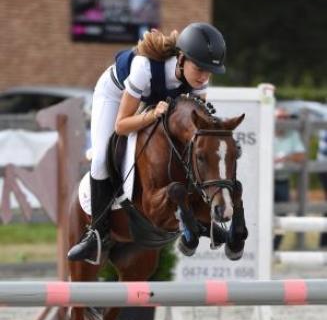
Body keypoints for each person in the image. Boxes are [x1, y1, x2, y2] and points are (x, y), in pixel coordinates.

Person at [67, 22, 227, 261]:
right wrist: (152, 115)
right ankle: (97, 234)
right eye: (199, 68)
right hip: (116, 95)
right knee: (100, 158)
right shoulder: (145, 68)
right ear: (182, 59)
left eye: (209, 71)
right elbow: (122, 125)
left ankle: (200, 216)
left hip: (154, 100)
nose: (204, 76)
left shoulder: (199, 80)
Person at [273, 107, 305, 250]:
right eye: (280, 118)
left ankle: (275, 247)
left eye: (286, 118)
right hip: (264, 182)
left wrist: (285, 158)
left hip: (282, 180)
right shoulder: (265, 131)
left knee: (283, 215)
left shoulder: (292, 133)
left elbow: (301, 156)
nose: (284, 121)